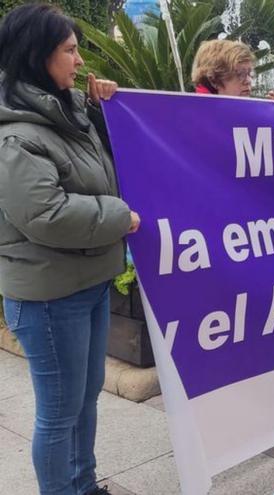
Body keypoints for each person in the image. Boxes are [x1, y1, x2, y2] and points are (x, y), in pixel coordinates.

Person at [0, 4, 141, 494]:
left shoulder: (67, 113)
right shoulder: (17, 135)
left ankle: (83, 485)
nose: (79, 61)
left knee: (84, 401)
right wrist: (120, 218)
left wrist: (104, 112)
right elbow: (45, 214)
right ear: (38, 56)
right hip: (48, 295)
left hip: (90, 282)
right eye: (69, 50)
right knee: (59, 412)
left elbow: (102, 170)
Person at [191, 39, 274, 107]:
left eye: (250, 73)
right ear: (214, 80)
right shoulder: (192, 119)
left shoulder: (250, 111)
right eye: (240, 74)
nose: (248, 81)